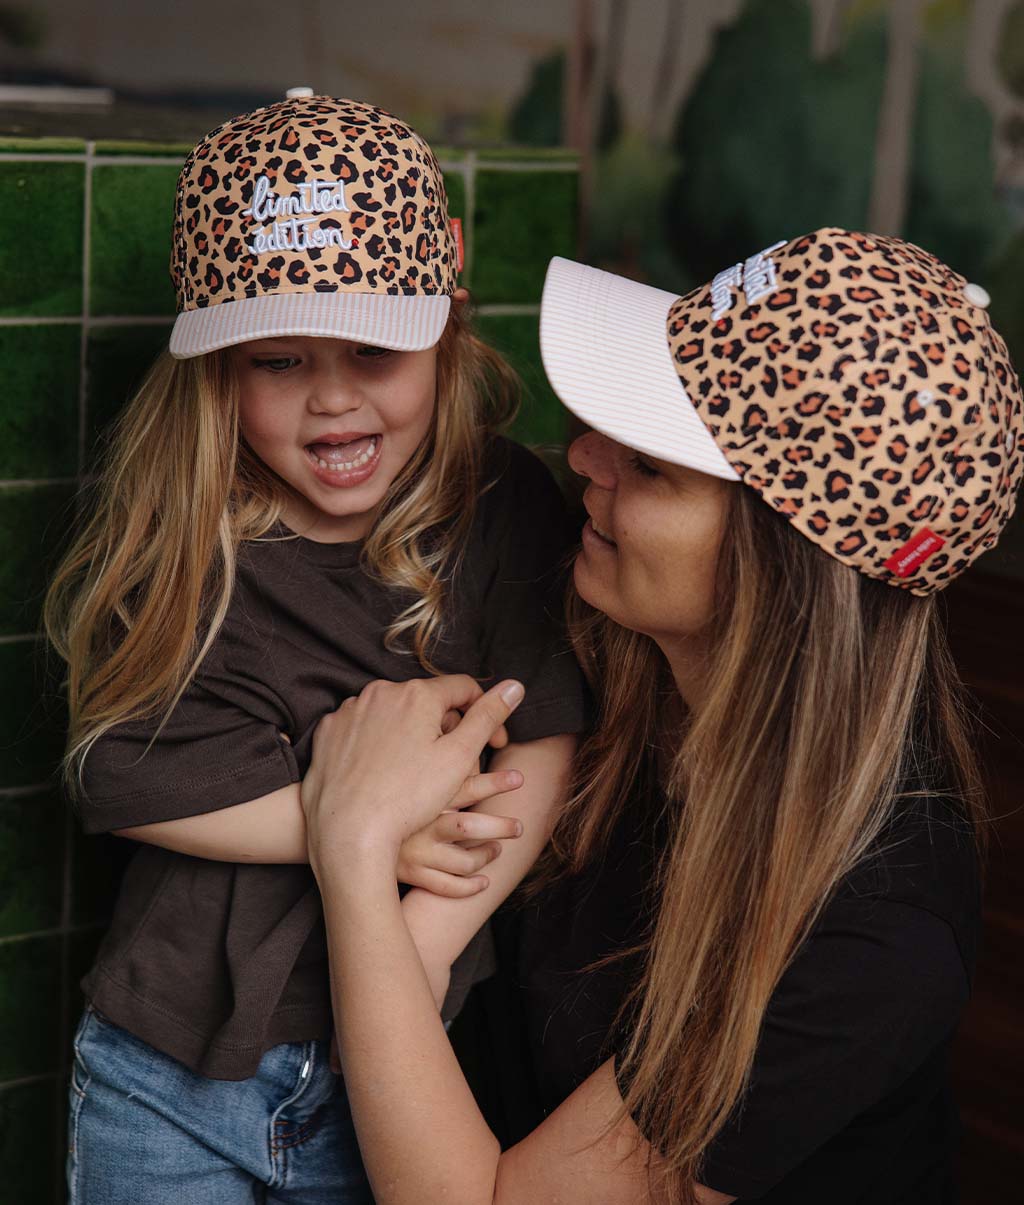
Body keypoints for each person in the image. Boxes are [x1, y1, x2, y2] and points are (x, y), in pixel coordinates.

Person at [298, 228, 1024, 1203]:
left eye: (649, 465)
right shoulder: (612, 664)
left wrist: (348, 840)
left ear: (780, 573)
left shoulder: (870, 931)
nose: (585, 454)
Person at [46, 94, 584, 1203]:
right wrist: (362, 829)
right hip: (164, 1077)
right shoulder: (182, 522)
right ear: (219, 370)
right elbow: (122, 773)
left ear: (449, 312)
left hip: (398, 1074)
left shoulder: (507, 506)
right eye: (280, 359)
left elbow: (546, 742)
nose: (333, 399)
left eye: (372, 350)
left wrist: (425, 944)